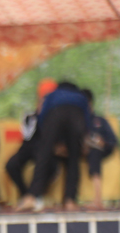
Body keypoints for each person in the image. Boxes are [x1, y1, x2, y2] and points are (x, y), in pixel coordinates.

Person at [16, 82, 90, 213]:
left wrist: (48, 140)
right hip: (76, 116)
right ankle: (70, 201)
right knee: (73, 159)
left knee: (43, 156)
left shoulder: (53, 95)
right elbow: (87, 119)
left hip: (54, 115)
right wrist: (83, 139)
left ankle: (31, 197)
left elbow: (42, 116)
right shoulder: (80, 97)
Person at [5, 78, 58, 203]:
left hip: (47, 149)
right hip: (28, 147)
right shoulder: (30, 116)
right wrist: (39, 115)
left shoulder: (57, 117)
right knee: (11, 165)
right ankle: (26, 194)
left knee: (50, 166)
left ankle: (36, 195)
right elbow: (27, 135)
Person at [82, 89, 117, 209]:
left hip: (98, 151)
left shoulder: (100, 121)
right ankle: (69, 201)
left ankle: (97, 200)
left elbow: (113, 141)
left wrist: (103, 142)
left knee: (94, 153)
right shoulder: (77, 120)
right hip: (80, 151)